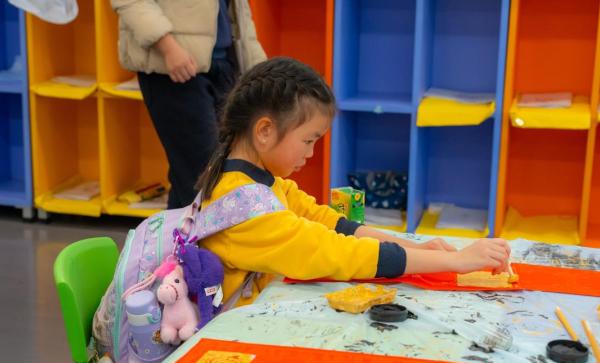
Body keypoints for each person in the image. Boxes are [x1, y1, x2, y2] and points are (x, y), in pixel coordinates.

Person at [195, 57, 512, 306]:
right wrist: (454, 261)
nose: (311, 153)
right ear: (265, 131)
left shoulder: (256, 182)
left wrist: (415, 248)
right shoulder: (246, 210)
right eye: (308, 140)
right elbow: (336, 252)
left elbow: (332, 224)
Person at [111, 0, 266, 208]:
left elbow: (239, 12)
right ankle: (202, 230)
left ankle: (178, 230)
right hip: (176, 69)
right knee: (204, 175)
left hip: (225, 64)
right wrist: (168, 47)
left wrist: (260, 71)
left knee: (203, 173)